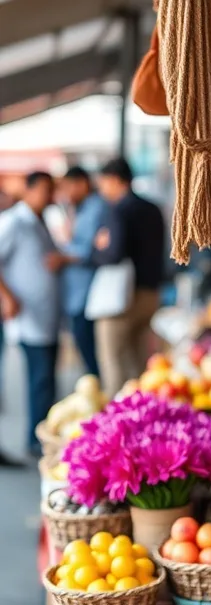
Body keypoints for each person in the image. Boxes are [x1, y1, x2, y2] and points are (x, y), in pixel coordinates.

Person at [0, 171, 63, 457]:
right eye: (46, 190)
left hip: (47, 314)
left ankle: (40, 436)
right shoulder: (13, 222)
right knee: (40, 379)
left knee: (47, 378)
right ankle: (36, 439)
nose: (50, 197)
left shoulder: (40, 222)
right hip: (29, 317)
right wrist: (8, 297)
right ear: (30, 190)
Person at [92, 158, 166, 393]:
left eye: (103, 182)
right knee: (141, 362)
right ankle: (143, 414)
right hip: (151, 293)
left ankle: (119, 419)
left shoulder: (119, 210)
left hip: (122, 298)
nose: (102, 189)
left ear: (114, 180)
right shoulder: (153, 209)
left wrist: (98, 248)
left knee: (113, 360)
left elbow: (113, 254)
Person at [57, 166, 106, 377]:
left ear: (82, 184)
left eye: (68, 187)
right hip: (76, 292)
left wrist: (62, 257)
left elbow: (90, 251)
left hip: (87, 292)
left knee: (89, 348)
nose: (66, 193)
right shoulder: (78, 208)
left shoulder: (96, 208)